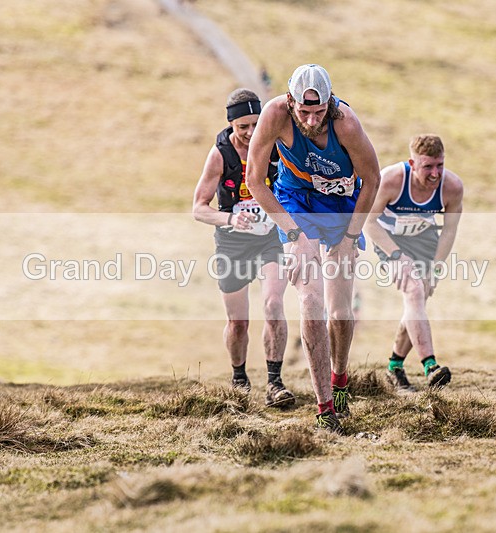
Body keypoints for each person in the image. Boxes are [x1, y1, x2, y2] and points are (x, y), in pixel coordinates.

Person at [246, 64, 380, 432]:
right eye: (303, 111)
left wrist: (351, 238)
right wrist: (293, 235)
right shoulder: (274, 114)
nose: (310, 119)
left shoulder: (345, 123)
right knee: (310, 300)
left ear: (329, 103)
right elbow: (254, 181)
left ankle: (339, 381)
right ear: (290, 101)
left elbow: (373, 180)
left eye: (318, 111)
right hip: (296, 204)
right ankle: (324, 409)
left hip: (340, 207)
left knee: (339, 311)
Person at [192, 88, 295, 408]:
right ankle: (239, 379)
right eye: (242, 127)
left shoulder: (276, 147)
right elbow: (198, 208)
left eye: (256, 124)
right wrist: (229, 219)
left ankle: (275, 382)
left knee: (274, 305)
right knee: (238, 322)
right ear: (231, 126)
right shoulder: (220, 154)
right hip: (234, 242)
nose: (251, 133)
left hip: (271, 239)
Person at [364, 134, 463, 391]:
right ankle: (430, 365)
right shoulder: (392, 179)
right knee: (414, 290)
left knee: (417, 300)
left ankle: (394, 367)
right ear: (412, 163)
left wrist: (436, 268)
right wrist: (397, 255)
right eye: (428, 166)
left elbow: (449, 230)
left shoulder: (451, 187)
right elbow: (369, 222)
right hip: (389, 240)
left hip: (424, 239)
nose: (435, 173)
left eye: (439, 165)